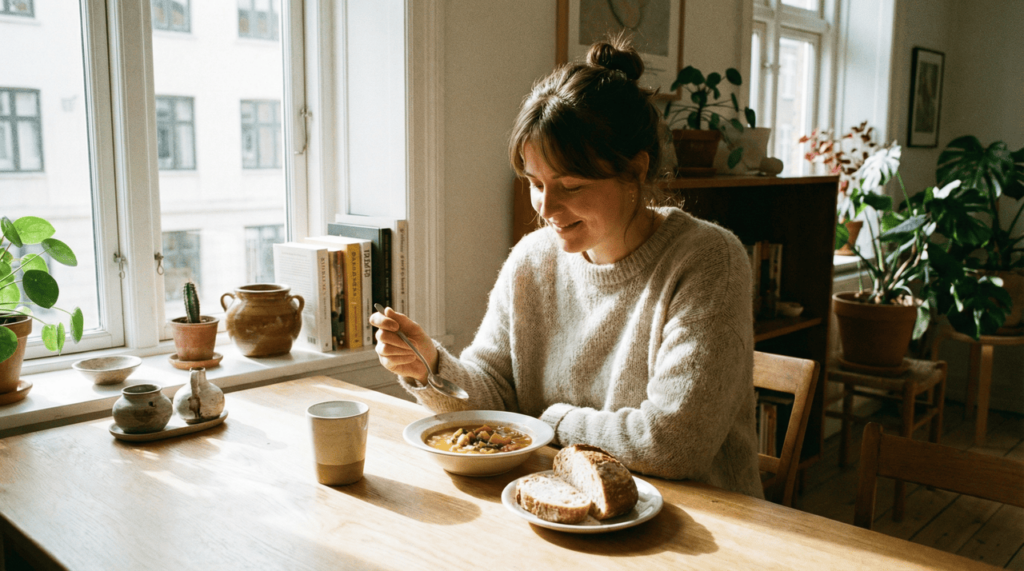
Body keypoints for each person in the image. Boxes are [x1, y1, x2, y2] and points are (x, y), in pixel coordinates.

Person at [370, 39, 763, 499]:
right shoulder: (532, 260)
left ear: (635, 172)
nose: (547, 207)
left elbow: (674, 444)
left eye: (571, 185)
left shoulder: (709, 261)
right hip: (566, 502)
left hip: (705, 523)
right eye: (535, 183)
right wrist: (430, 366)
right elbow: (493, 393)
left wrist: (550, 422)